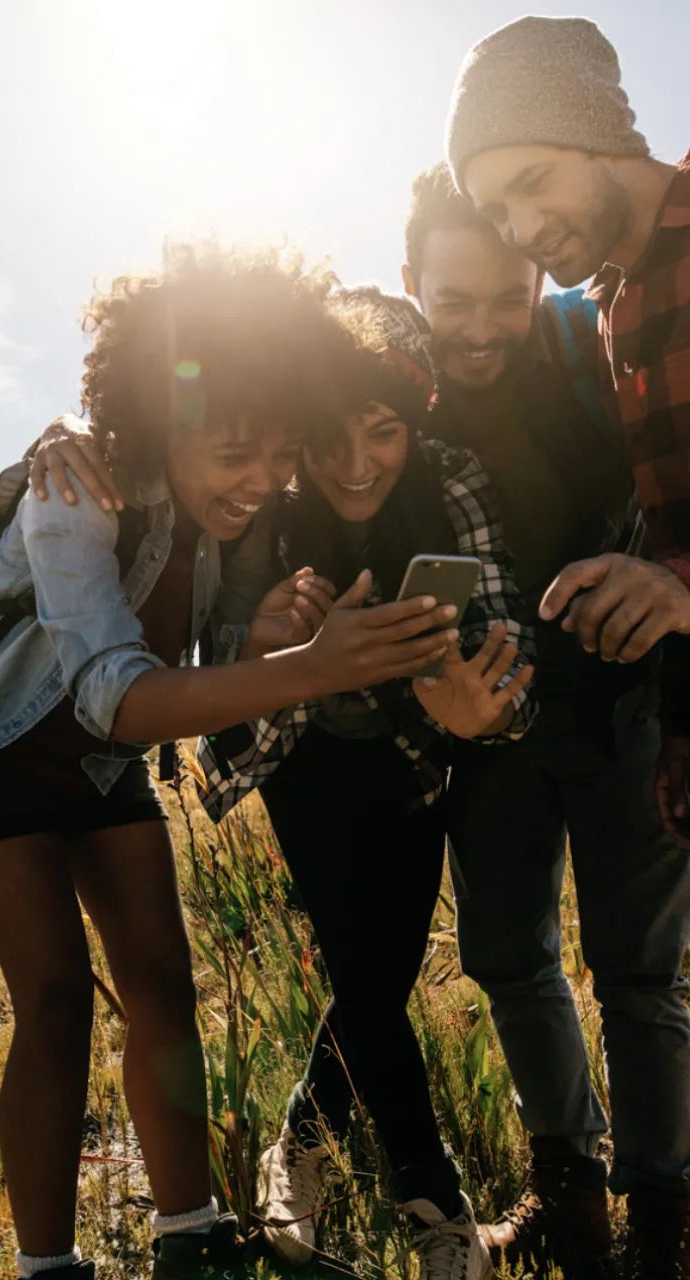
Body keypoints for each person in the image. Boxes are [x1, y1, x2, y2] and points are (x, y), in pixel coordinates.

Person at [0, 243, 463, 1280]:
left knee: (162, 980)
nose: (264, 481)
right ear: (163, 418)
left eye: (280, 452)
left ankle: (191, 1238)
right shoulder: (73, 491)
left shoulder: (230, 519)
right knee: (55, 996)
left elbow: (200, 670)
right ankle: (46, 1264)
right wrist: (305, 669)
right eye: (237, 453)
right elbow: (117, 691)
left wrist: (269, 640)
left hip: (106, 770)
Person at [400, 161, 690, 1280]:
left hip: (626, 705)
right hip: (489, 730)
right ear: (413, 278)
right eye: (452, 301)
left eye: (504, 299)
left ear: (537, 277)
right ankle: (567, 1190)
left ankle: (662, 1210)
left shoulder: (596, 345)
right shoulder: (390, 377)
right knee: (512, 959)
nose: (480, 330)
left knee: (640, 973)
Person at [446, 14, 690, 851]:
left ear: (597, 133)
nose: (519, 230)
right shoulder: (614, 313)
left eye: (533, 179)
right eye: (495, 209)